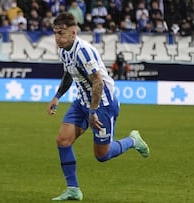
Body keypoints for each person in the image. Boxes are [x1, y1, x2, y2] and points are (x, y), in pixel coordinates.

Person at [46, 12, 150, 201]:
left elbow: (98, 83)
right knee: (63, 140)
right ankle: (73, 189)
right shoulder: (63, 50)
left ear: (73, 33)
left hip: (103, 105)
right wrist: (57, 96)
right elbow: (69, 74)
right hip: (82, 102)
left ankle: (133, 140)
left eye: (61, 33)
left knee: (102, 155)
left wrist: (93, 112)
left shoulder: (84, 52)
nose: (57, 38)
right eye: (55, 33)